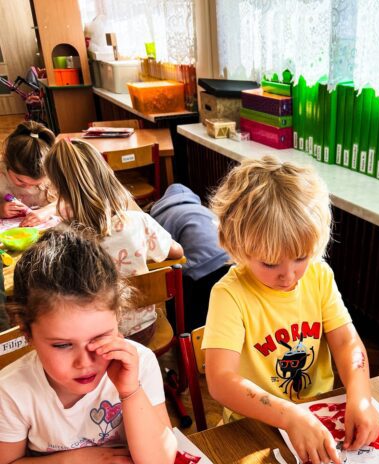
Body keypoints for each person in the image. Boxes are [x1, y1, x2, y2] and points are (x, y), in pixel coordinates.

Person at [203, 156, 379, 464]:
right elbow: (220, 381)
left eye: (300, 257)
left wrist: (361, 395)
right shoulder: (229, 294)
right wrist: (288, 416)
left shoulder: (319, 276)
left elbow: (346, 343)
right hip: (253, 425)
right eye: (270, 263)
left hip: (318, 413)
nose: (288, 275)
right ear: (238, 246)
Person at [0, 226, 178, 464]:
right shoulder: (11, 391)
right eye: (62, 345)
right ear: (28, 333)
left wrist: (130, 391)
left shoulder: (140, 364)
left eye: (100, 338)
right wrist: (71, 462)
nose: (84, 362)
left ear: (118, 319)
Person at [45, 139, 183, 344]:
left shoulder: (59, 238)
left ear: (57, 189)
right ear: (107, 175)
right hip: (142, 330)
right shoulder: (138, 221)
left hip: (91, 341)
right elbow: (178, 253)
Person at [151, 183, 231, 330]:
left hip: (199, 269)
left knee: (174, 287)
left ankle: (184, 331)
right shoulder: (204, 210)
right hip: (229, 259)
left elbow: (161, 253)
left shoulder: (162, 216)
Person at [0, 120, 57, 226]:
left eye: (36, 184)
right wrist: (1, 210)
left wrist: (49, 210)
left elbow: (76, 199)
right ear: (7, 163)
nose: (27, 187)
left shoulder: (55, 171)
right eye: (20, 180)